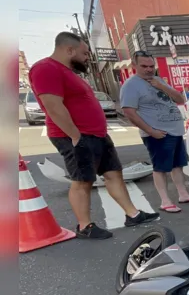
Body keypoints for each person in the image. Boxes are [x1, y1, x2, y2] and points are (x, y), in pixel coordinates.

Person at [28, 32, 160, 239]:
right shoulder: (46, 68)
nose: (87, 57)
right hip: (76, 136)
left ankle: (133, 214)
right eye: (84, 53)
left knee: (114, 173)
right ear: (69, 50)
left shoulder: (68, 72)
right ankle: (85, 226)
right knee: (82, 181)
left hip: (97, 134)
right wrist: (75, 136)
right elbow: (53, 106)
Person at [120, 50, 189, 214]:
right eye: (144, 66)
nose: (149, 69)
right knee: (160, 168)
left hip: (175, 131)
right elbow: (129, 112)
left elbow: (180, 100)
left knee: (178, 165)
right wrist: (151, 131)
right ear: (134, 66)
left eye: (151, 66)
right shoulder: (130, 85)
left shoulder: (158, 80)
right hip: (158, 134)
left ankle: (183, 194)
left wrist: (162, 86)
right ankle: (165, 201)